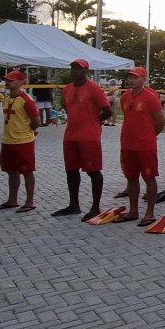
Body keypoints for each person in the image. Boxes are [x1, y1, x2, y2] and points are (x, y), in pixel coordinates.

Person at [53, 59, 113, 221]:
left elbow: (107, 110)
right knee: (71, 170)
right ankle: (74, 205)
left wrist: (94, 121)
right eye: (73, 68)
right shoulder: (67, 89)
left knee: (93, 171)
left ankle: (95, 207)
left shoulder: (93, 88)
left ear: (86, 71)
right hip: (71, 135)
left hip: (89, 137)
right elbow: (67, 107)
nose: (75, 71)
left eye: (79, 69)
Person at [116, 67, 165, 226]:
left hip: (145, 146)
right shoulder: (125, 97)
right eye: (130, 77)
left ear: (144, 79)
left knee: (149, 178)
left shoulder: (150, 97)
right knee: (131, 178)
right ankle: (133, 210)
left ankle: (149, 213)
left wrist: (150, 135)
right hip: (128, 145)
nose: (131, 80)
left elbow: (161, 121)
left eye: (136, 77)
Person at [0, 70, 40, 213]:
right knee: (11, 171)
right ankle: (12, 200)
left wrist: (28, 131)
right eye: (6, 80)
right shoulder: (7, 98)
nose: (7, 82)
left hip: (23, 141)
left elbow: (36, 120)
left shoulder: (26, 100)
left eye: (11, 80)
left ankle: (29, 201)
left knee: (27, 171)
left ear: (21, 82)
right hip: (7, 141)